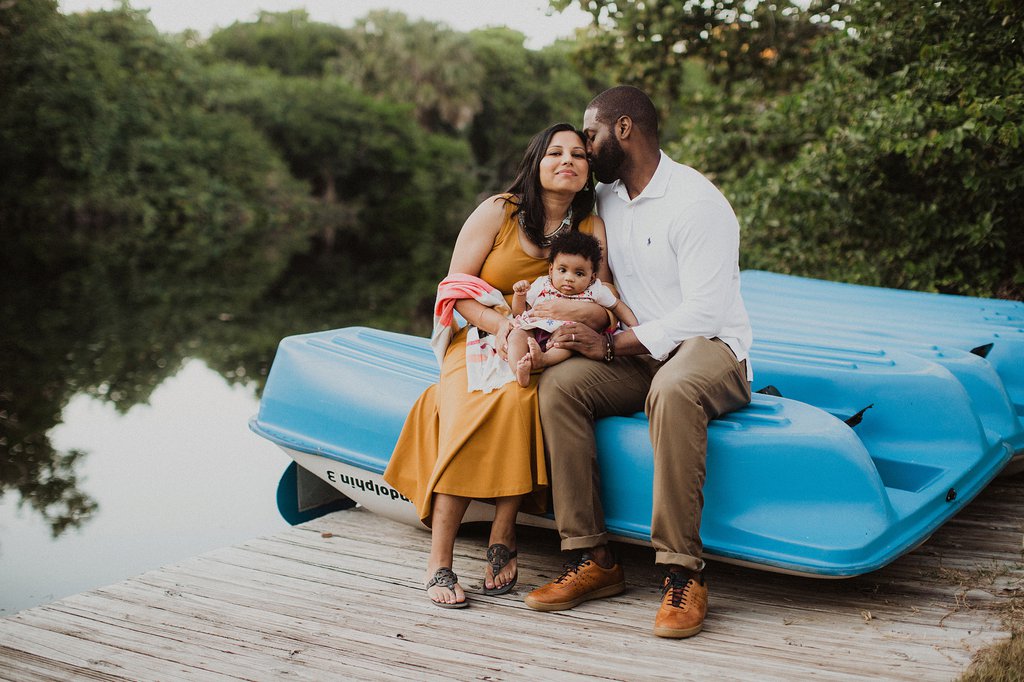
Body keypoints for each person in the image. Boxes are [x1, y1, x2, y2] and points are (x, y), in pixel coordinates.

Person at [524, 86, 753, 639]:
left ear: (623, 129)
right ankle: (592, 558)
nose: (585, 146)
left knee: (673, 389)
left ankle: (682, 572)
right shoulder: (604, 200)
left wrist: (612, 345)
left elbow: (705, 311)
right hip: (637, 352)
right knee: (561, 386)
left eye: (591, 134)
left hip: (710, 348)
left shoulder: (696, 202)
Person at [382, 123, 616, 608]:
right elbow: (454, 288)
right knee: (469, 410)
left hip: (545, 344)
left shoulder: (590, 227)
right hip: (480, 336)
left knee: (521, 398)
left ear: (588, 170)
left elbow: (604, 300)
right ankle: (439, 559)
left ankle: (503, 533)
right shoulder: (499, 211)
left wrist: (565, 315)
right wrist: (504, 326)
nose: (567, 161)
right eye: (555, 152)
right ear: (536, 161)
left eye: (578, 154)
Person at [507, 230, 638, 387]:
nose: (569, 278)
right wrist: (520, 295)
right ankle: (519, 369)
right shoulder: (542, 284)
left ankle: (544, 359)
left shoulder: (595, 290)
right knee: (516, 335)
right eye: (562, 270)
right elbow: (519, 312)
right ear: (551, 270)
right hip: (534, 329)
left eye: (579, 273)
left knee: (570, 343)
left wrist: (634, 327)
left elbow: (616, 305)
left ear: (592, 277)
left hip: (565, 333)